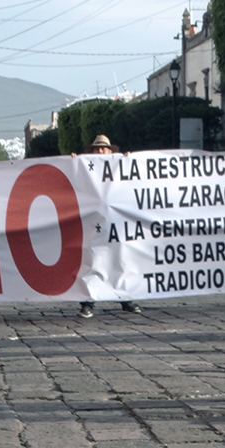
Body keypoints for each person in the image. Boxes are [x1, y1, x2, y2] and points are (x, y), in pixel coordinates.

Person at [79, 135, 141, 318]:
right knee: (94, 261)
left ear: (109, 151)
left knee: (119, 260)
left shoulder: (119, 166)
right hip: (95, 222)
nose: (100, 151)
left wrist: (129, 162)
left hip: (115, 222)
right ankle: (87, 303)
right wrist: (73, 162)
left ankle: (125, 300)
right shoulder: (85, 168)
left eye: (103, 149)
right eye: (97, 149)